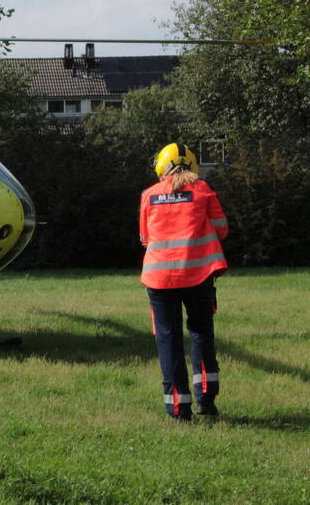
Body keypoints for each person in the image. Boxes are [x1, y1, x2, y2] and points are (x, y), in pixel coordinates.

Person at [139, 143, 228, 421]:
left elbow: (144, 239)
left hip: (159, 279)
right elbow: (222, 230)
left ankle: (177, 408)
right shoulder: (203, 190)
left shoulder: (149, 195)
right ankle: (206, 399)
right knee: (201, 333)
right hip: (198, 275)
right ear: (193, 166)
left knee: (169, 339)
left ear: (161, 167)